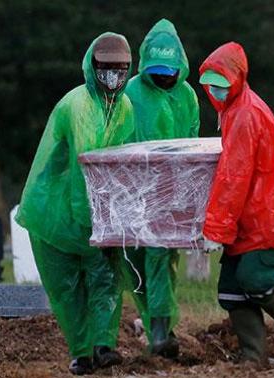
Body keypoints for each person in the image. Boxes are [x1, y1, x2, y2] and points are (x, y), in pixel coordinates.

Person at [16, 33, 135, 375]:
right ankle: (81, 353)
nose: (113, 76)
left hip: (94, 213)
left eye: (121, 69)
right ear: (92, 66)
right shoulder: (78, 106)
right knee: (67, 287)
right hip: (54, 211)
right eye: (106, 68)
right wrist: (95, 224)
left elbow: (122, 161)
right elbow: (84, 170)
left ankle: (103, 346)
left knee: (106, 278)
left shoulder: (123, 107)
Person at [198, 42, 274, 364]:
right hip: (253, 216)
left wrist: (216, 229)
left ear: (237, 80)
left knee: (255, 279)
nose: (215, 90)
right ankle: (254, 358)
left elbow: (233, 177)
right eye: (210, 84)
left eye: (222, 84)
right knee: (231, 291)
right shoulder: (232, 109)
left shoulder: (245, 114)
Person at [121, 18, 200, 359]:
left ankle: (160, 329)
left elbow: (193, 142)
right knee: (140, 261)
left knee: (163, 258)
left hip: (174, 191)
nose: (164, 78)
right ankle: (157, 325)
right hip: (135, 191)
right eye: (157, 72)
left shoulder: (187, 96)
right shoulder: (131, 93)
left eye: (169, 72)